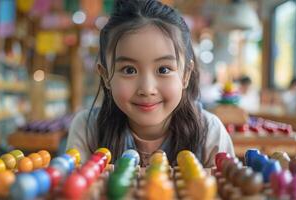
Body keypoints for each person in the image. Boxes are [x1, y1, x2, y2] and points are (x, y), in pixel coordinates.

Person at [66, 0, 234, 167]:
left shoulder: (210, 133)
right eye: (129, 70)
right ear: (105, 76)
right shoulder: (88, 130)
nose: (147, 89)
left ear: (186, 75)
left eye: (163, 70)